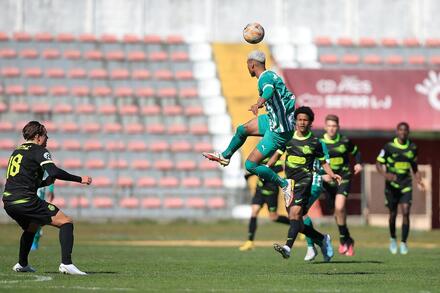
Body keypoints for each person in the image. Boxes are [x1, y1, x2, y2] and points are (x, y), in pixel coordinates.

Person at [203, 50, 296, 205]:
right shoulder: (271, 74)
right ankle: (226, 156)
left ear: (252, 65)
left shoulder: (264, 79)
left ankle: (285, 184)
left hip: (279, 131)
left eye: (248, 65)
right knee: (242, 129)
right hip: (274, 120)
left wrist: (258, 103)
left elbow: (268, 90)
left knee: (250, 165)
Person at [2, 121, 92, 275]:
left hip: (9, 202)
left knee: (32, 227)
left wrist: (44, 183)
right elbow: (54, 171)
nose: (47, 138)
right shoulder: (38, 150)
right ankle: (66, 264)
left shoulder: (16, 152)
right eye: (46, 135)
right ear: (37, 136)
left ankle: (22, 264)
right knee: (66, 222)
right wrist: (79, 179)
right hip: (26, 200)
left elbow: (22, 181)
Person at [271, 106, 342, 261]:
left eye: (305, 120)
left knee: (297, 214)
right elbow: (277, 156)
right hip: (289, 184)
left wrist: (331, 174)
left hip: (310, 182)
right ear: (295, 121)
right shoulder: (288, 138)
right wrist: (265, 169)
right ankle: (322, 239)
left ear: (310, 123)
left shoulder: (317, 142)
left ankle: (290, 247)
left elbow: (324, 162)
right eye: (300, 120)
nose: (302, 122)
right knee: (296, 219)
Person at [376, 122, 425, 255]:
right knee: (392, 215)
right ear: (397, 131)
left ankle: (403, 242)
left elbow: (414, 166)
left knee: (406, 212)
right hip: (391, 186)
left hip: (406, 184)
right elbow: (378, 163)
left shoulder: (413, 147)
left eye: (405, 130)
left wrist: (419, 179)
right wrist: (386, 175)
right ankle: (393, 239)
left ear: (408, 132)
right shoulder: (389, 146)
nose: (403, 132)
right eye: (400, 130)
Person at [320, 114, 362, 256]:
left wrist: (358, 163)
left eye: (334, 126)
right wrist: (321, 175)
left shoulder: (344, 141)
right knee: (337, 212)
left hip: (343, 177)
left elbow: (356, 152)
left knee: (340, 207)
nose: (331, 129)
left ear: (338, 127)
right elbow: (313, 161)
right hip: (329, 181)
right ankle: (347, 239)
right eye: (329, 126)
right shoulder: (319, 143)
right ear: (325, 127)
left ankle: (344, 240)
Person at [239, 157, 290, 251]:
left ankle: (295, 224)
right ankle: (250, 242)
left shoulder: (276, 161)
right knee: (254, 211)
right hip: (260, 190)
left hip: (271, 192)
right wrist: (248, 174)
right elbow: (254, 169)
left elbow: (280, 168)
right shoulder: (260, 158)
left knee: (273, 217)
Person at [31, 173, 55, 251]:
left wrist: (51, 190)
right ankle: (34, 239)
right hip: (29, 193)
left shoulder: (45, 163)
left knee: (36, 219)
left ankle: (35, 241)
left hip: (39, 196)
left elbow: (52, 174)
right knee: (32, 220)